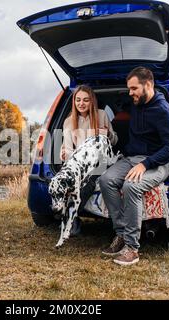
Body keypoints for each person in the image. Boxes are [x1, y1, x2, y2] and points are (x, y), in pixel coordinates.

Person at [99, 67, 169, 266]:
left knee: (131, 187)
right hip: (131, 158)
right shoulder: (136, 102)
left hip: (158, 162)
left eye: (134, 88)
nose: (130, 93)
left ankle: (132, 248)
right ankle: (121, 235)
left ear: (148, 85)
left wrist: (146, 164)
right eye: (129, 89)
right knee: (106, 180)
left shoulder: (164, 112)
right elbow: (111, 109)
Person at [61, 85, 118, 236]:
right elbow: (67, 149)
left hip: (100, 162)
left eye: (86, 100)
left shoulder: (101, 115)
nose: (81, 103)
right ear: (74, 102)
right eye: (78, 100)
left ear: (92, 101)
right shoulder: (68, 122)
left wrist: (107, 135)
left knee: (89, 180)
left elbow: (114, 140)